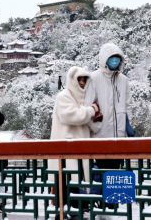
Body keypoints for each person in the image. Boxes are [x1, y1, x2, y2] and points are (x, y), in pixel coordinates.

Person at [84, 42, 130, 208]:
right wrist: (95, 128)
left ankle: (112, 205)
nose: (115, 62)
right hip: (101, 135)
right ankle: (100, 202)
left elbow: (125, 105)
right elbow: (88, 106)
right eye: (112, 58)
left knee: (115, 170)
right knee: (101, 170)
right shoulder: (93, 78)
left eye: (118, 59)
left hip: (119, 135)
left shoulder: (124, 80)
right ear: (104, 59)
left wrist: (126, 127)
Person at [50, 67, 97, 217]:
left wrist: (92, 113)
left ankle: (76, 212)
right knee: (67, 186)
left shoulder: (84, 99)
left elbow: (92, 125)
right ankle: (66, 213)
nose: (82, 82)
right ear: (72, 80)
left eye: (85, 79)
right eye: (79, 79)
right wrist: (91, 111)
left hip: (80, 152)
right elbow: (71, 116)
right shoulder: (63, 96)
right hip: (65, 153)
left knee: (79, 186)